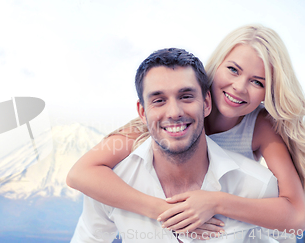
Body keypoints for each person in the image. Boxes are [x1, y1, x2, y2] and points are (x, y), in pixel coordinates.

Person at [66, 24, 305, 236]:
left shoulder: (260, 125)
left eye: (258, 82)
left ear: (269, 92)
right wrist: (165, 211)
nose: (240, 87)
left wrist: (216, 203)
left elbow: (296, 215)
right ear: (216, 66)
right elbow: (80, 173)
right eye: (233, 70)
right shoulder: (159, 122)